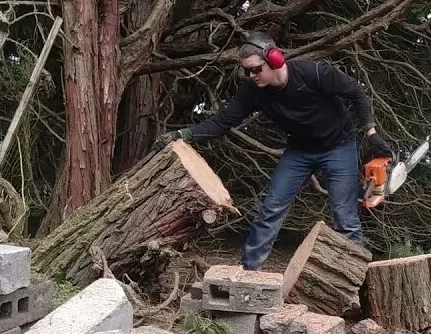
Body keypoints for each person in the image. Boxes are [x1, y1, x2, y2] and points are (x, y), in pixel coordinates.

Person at [159, 32, 392, 271]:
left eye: (256, 69)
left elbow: (355, 91)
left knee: (345, 218)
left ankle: (354, 281)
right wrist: (184, 134)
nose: (252, 76)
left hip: (338, 146)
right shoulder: (254, 92)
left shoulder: (313, 73)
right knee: (271, 208)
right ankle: (248, 272)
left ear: (275, 59)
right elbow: (222, 122)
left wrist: (371, 132)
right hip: (299, 151)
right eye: (247, 71)